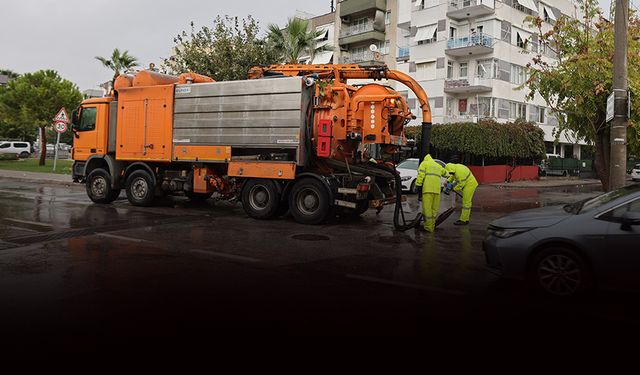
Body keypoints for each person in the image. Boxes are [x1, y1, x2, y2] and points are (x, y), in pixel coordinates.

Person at [415, 154, 448, 232]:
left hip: (427, 189)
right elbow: (446, 173)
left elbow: (421, 175)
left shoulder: (424, 163)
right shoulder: (437, 165)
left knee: (427, 209)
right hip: (437, 190)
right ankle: (432, 225)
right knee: (434, 209)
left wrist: (418, 185)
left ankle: (428, 227)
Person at [445, 160, 478, 226]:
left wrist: (453, 188)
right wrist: (447, 181)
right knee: (466, 201)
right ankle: (465, 219)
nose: (450, 173)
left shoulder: (460, 172)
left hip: (470, 184)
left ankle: (464, 220)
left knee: (466, 203)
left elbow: (461, 184)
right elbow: (453, 175)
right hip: (468, 183)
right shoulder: (455, 168)